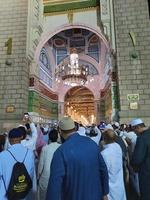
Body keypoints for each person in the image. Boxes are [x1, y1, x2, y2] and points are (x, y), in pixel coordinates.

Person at [46, 116, 109, 200]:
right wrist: (105, 193)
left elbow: (55, 185)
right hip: (95, 195)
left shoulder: (61, 152)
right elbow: (103, 170)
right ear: (75, 128)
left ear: (60, 131)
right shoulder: (92, 144)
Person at [0, 128, 35, 200]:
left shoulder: (2, 155)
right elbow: (32, 174)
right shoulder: (30, 153)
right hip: (24, 194)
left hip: (6, 195)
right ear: (21, 138)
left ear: (9, 140)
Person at [101, 129, 126, 200]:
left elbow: (103, 173)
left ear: (104, 139)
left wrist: (104, 192)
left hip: (110, 186)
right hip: (119, 182)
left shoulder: (104, 153)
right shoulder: (118, 147)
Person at [38, 128, 61, 200]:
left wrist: (38, 176)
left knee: (44, 196)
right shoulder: (61, 147)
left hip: (46, 177)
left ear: (49, 137)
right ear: (57, 137)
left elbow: (41, 164)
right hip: (58, 176)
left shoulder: (45, 148)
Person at [131, 118, 150, 200]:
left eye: (134, 130)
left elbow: (137, 159)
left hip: (146, 172)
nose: (134, 133)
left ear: (137, 127)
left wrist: (132, 164)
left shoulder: (142, 138)